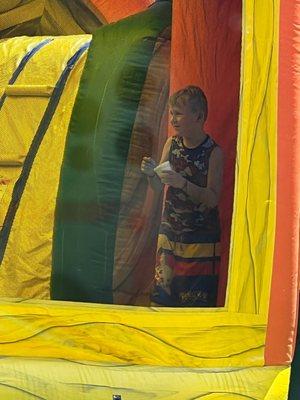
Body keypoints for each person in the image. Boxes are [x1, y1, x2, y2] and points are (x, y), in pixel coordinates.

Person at [141, 85, 223, 307]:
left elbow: (213, 198)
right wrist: (151, 174)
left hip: (200, 238)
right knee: (162, 296)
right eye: (171, 113)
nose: (173, 119)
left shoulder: (213, 152)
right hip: (170, 231)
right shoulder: (172, 144)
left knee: (194, 302)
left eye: (178, 114)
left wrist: (183, 183)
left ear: (198, 117)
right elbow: (158, 188)